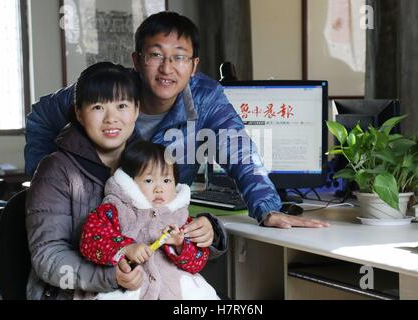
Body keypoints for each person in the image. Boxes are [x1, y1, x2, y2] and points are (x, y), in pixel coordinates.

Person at [24, 11, 329, 229]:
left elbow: (239, 151)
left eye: (180, 57)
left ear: (194, 65)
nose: (167, 68)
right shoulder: (106, 91)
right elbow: (40, 116)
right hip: (97, 223)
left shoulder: (206, 97)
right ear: (136, 60)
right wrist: (40, 182)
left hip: (160, 225)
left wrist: (267, 209)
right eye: (155, 55)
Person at [25, 62, 226, 300]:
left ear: (136, 110)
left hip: (152, 288)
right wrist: (110, 276)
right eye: (98, 107)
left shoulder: (151, 161)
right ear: (79, 113)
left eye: (122, 105)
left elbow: (171, 216)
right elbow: (48, 256)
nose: (112, 118)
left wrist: (208, 231)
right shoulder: (55, 170)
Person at [79, 140, 219, 300]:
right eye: (148, 180)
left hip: (172, 289)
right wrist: (126, 248)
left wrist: (180, 245)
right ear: (130, 182)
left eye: (166, 181)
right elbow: (90, 239)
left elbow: (197, 262)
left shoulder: (180, 217)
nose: (159, 188)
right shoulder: (115, 209)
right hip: (131, 287)